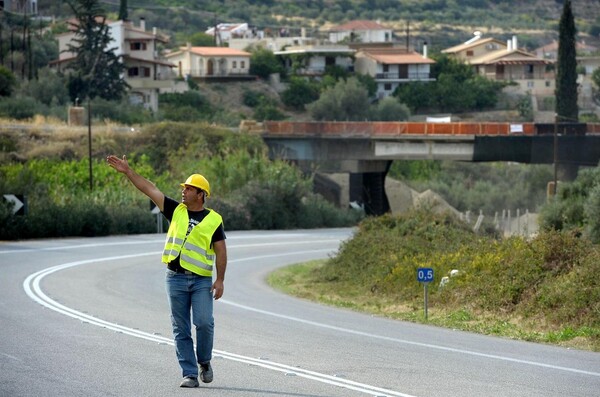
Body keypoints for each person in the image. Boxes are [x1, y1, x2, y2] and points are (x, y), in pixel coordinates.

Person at [106, 154, 227, 388]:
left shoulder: (214, 220)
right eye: (184, 188)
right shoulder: (176, 210)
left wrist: (220, 280)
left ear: (201, 194)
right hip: (175, 279)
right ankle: (190, 373)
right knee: (180, 327)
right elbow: (149, 189)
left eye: (189, 188)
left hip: (201, 280)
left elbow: (221, 251)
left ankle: (204, 361)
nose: (184, 191)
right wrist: (128, 172)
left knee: (203, 322)